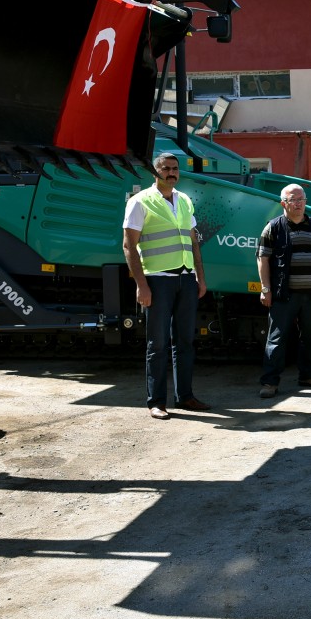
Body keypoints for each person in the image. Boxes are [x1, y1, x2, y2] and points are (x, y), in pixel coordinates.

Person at [122, 152, 211, 419]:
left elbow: (194, 242)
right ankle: (157, 402)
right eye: (166, 168)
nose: (171, 173)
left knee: (185, 342)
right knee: (157, 344)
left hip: (186, 278)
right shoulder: (140, 201)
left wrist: (200, 277)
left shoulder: (184, 200)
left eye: (175, 169)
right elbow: (129, 246)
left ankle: (185, 396)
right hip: (157, 280)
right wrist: (141, 285)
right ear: (155, 171)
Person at [257, 184, 311, 396]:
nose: (298, 204)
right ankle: (270, 382)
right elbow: (263, 258)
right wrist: (266, 288)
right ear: (284, 204)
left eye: (301, 199)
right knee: (277, 339)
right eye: (293, 200)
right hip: (283, 294)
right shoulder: (273, 227)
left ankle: (308, 375)